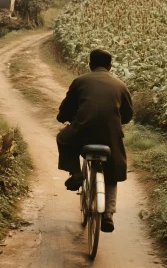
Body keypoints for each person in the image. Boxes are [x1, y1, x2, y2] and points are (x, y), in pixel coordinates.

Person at [56, 49, 133, 233]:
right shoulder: (121, 85)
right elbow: (128, 115)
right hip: (110, 137)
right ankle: (108, 213)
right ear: (110, 66)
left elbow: (66, 109)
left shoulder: (80, 81)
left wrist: (63, 118)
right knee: (112, 170)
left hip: (83, 133)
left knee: (63, 138)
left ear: (90, 65)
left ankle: (75, 173)